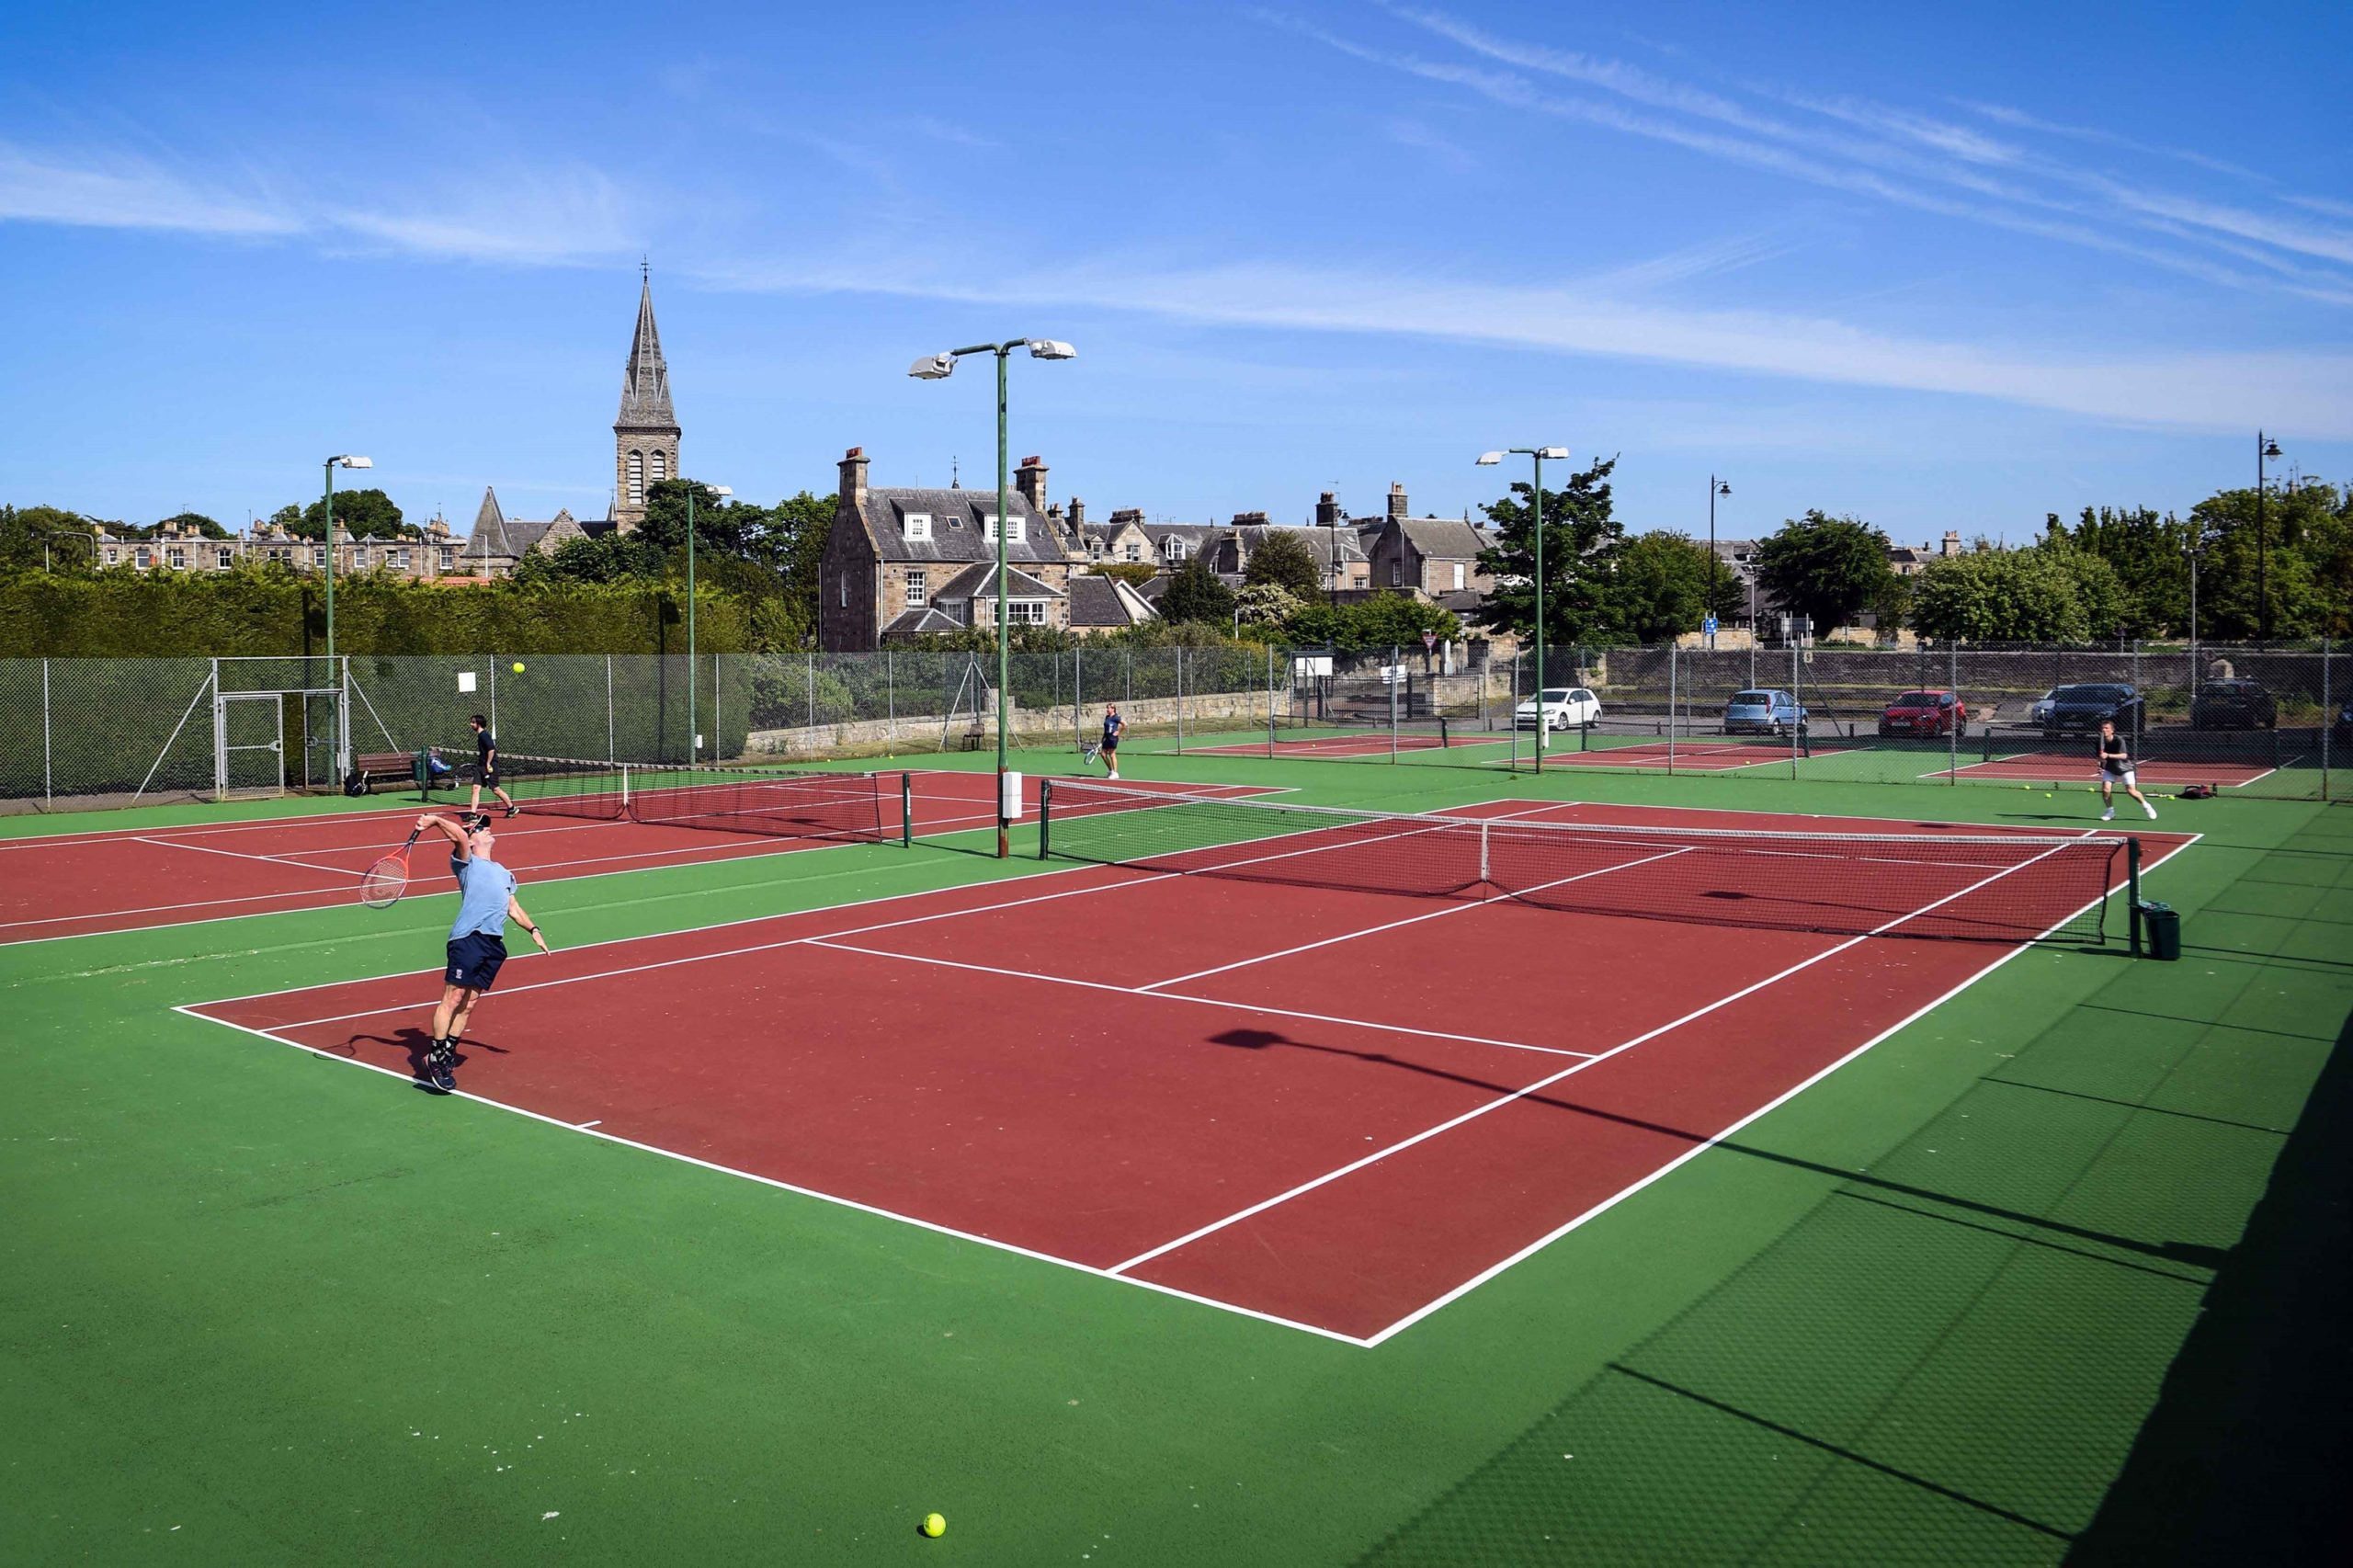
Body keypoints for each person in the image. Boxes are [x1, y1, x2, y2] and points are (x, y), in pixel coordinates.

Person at [414, 811, 550, 1092]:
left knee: (470, 1003)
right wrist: (436, 820)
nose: (487, 830)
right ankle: (437, 1056)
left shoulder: (503, 872)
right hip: (468, 938)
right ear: (473, 841)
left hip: (492, 943)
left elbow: (512, 907)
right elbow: (459, 836)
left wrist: (533, 930)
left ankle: (446, 1054)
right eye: (481, 829)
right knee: (454, 997)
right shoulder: (467, 862)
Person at [2096, 718, 2157, 822]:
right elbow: (2099, 757)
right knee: (2106, 789)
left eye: (2107, 728)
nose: (2104, 730)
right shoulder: (2099, 742)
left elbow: (2124, 755)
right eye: (2102, 728)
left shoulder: (2119, 740)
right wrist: (2100, 766)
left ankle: (2146, 806)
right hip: (2110, 768)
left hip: (2125, 768)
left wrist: (2108, 755)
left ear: (2112, 730)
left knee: (2131, 791)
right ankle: (2110, 811)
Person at [467, 713, 517, 818]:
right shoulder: (480, 735)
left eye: (473, 722)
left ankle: (511, 808)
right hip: (480, 766)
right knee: (475, 788)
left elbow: (491, 749)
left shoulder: (484, 735)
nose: (471, 724)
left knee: (496, 789)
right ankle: (473, 814)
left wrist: (488, 763)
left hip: (489, 766)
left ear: (479, 724)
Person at [1098, 702, 1125, 781]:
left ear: (1113, 709)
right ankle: (1111, 771)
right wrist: (1103, 738)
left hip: (1113, 738)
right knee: (1103, 754)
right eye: (1107, 708)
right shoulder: (1107, 717)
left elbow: (1125, 724)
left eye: (1109, 708)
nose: (1107, 709)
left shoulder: (1116, 717)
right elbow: (1106, 729)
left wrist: (1118, 732)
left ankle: (1116, 773)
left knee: (1112, 754)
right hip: (1106, 737)